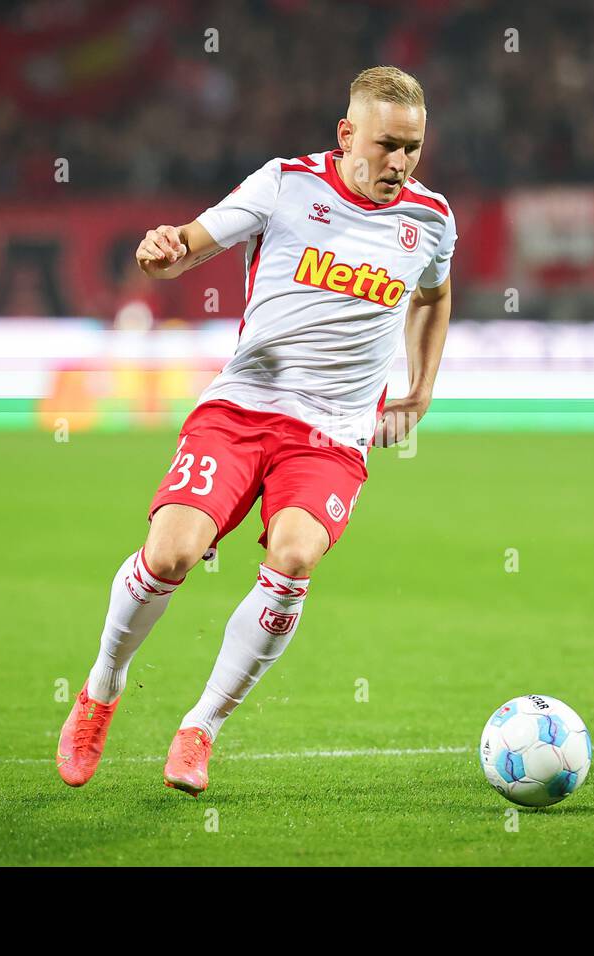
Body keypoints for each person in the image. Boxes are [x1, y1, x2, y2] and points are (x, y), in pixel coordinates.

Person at [56, 65, 456, 795]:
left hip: (332, 433)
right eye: (386, 145)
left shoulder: (430, 218)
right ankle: (101, 690)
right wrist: (166, 248)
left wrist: (420, 389)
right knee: (172, 554)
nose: (399, 164)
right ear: (346, 134)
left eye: (413, 148)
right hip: (242, 410)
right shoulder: (286, 184)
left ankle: (200, 728)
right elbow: (193, 240)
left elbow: (433, 294)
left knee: (297, 556)